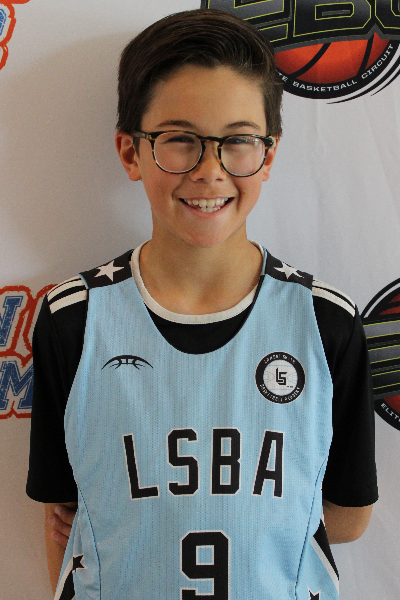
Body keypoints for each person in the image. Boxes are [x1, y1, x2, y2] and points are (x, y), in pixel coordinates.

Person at [26, 8, 378, 600]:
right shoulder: (75, 319)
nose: (210, 171)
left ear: (268, 154)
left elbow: (349, 514)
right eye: (180, 140)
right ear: (131, 152)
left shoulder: (325, 323)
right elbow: (64, 513)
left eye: (237, 141)